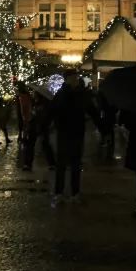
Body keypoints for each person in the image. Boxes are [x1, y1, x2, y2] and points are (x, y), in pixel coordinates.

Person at [51, 71, 100, 203]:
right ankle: (59, 192)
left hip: (77, 132)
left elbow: (92, 110)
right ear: (67, 79)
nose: (76, 80)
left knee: (75, 164)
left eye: (76, 78)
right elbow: (53, 112)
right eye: (73, 78)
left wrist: (101, 126)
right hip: (64, 132)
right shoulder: (61, 94)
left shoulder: (81, 94)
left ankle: (75, 192)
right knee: (61, 164)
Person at [23, 91, 55, 172]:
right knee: (31, 145)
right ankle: (28, 164)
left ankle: (52, 163)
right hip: (34, 126)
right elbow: (32, 115)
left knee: (45, 144)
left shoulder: (45, 104)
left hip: (42, 126)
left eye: (35, 93)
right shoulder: (35, 103)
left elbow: (46, 115)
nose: (33, 94)